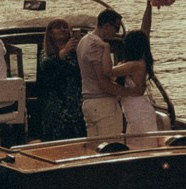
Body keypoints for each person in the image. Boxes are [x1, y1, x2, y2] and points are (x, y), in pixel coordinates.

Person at [77, 7, 126, 137]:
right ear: (107, 25)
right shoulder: (98, 45)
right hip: (103, 104)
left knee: (94, 150)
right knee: (111, 148)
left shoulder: (84, 41)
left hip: (88, 103)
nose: (116, 33)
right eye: (116, 28)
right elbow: (103, 81)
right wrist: (131, 92)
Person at [33, 17, 85, 140]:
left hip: (76, 102)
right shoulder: (45, 54)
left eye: (65, 27)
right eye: (58, 27)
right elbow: (46, 67)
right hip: (55, 103)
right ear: (50, 33)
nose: (62, 29)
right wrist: (63, 52)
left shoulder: (76, 53)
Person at [114, 28, 161, 137]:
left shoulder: (135, 65)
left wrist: (104, 50)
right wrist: (148, 9)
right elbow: (146, 29)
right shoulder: (131, 64)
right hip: (134, 113)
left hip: (139, 113)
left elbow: (107, 71)